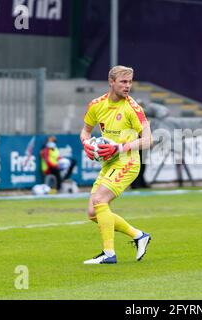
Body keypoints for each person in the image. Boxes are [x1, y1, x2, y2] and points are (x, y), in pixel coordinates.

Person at [80, 65, 153, 264]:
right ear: (111, 82)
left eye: (130, 82)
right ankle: (139, 235)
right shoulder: (96, 105)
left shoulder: (133, 108)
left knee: (100, 200)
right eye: (123, 82)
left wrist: (119, 148)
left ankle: (109, 254)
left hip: (127, 162)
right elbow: (85, 131)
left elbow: (148, 140)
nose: (127, 86)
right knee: (93, 213)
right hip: (109, 163)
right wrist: (86, 145)